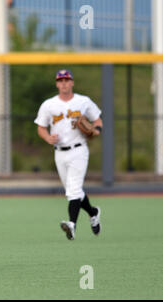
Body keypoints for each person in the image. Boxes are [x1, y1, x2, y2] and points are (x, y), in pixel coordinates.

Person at [34, 69, 103, 240]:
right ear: (57, 84)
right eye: (61, 80)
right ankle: (93, 212)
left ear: (72, 82)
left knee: (72, 190)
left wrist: (96, 130)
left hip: (79, 150)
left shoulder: (83, 101)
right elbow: (41, 127)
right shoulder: (49, 105)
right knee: (74, 190)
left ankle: (71, 225)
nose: (64, 83)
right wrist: (48, 137)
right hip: (60, 153)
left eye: (67, 79)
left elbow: (98, 120)